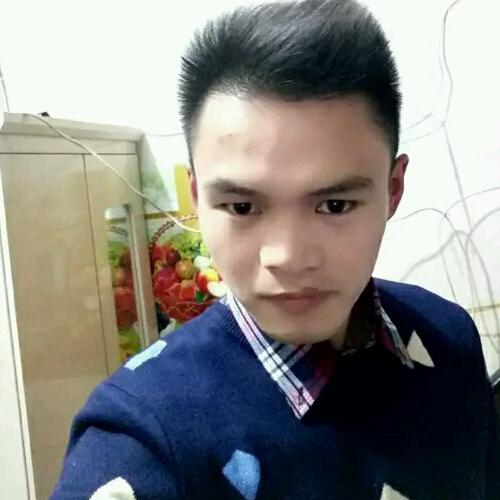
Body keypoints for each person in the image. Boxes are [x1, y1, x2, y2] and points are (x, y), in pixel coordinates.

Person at [51, 0, 499, 498]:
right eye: (242, 207)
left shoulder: (448, 339)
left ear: (393, 190)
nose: (287, 256)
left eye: (334, 205)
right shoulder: (142, 439)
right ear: (198, 197)